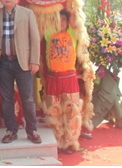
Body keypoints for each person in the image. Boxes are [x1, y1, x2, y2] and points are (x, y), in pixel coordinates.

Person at [0, 0, 42, 145]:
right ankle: (11, 130)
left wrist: (34, 60)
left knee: (27, 98)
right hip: (4, 63)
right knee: (6, 99)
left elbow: (35, 38)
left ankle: (32, 130)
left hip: (23, 62)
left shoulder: (27, 13)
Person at [44, 10, 83, 155]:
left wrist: (71, 3)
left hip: (69, 78)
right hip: (53, 78)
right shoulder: (49, 34)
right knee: (54, 112)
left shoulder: (72, 34)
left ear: (68, 22)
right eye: (58, 19)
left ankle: (69, 142)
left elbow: (73, 15)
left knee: (71, 111)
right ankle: (57, 141)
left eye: (64, 19)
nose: (61, 22)